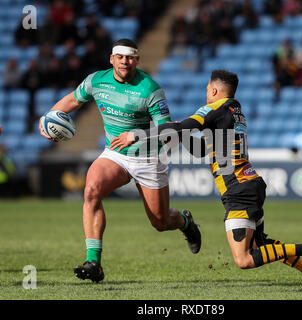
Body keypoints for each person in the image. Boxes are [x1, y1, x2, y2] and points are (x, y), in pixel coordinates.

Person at [115, 70, 302, 289]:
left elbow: (183, 126)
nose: (206, 92)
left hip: (238, 188)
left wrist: (137, 135)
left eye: (207, 88)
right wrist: (184, 135)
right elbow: (201, 149)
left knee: (244, 259)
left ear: (214, 90)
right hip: (250, 183)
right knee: (260, 244)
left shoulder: (216, 108)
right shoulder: (234, 112)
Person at [38, 38, 201, 283]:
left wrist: (135, 136)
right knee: (91, 190)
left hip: (148, 157)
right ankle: (94, 263)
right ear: (112, 59)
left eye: (130, 57)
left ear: (137, 60)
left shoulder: (150, 89)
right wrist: (48, 118)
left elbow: (168, 132)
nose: (125, 61)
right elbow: (71, 101)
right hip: (115, 154)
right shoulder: (96, 81)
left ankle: (186, 222)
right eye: (120, 57)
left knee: (160, 221)